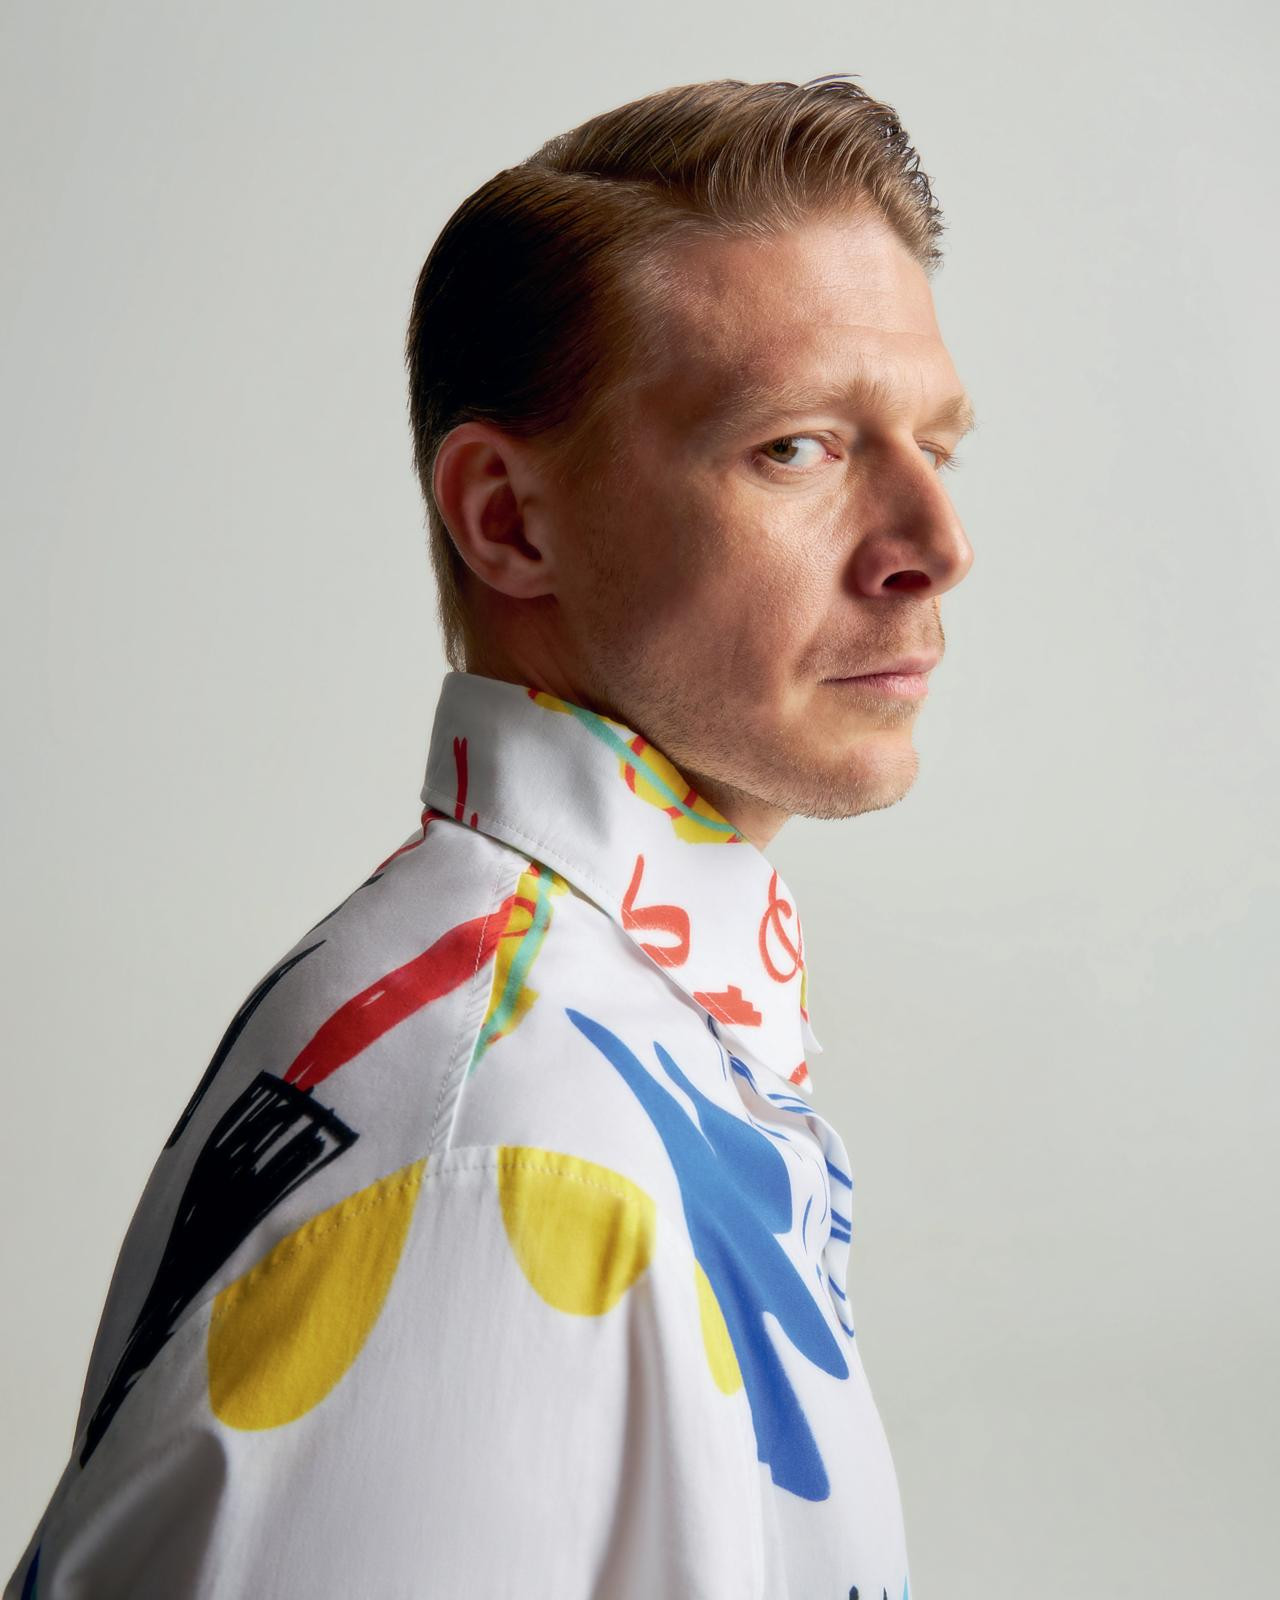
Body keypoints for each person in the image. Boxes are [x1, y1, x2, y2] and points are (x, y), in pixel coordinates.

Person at [6, 72, 974, 1600]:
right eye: (798, 448)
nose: (934, 546)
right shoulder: (512, 1148)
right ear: (509, 519)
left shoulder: (573, 1027)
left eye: (937, 444)